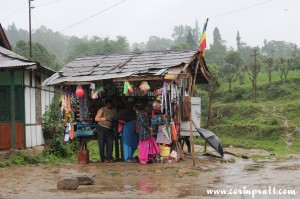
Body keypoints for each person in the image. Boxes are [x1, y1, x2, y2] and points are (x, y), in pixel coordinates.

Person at [95, 98, 116, 163]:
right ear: (105, 104)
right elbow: (96, 119)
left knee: (110, 144)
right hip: (101, 128)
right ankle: (102, 158)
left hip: (109, 129)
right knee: (101, 144)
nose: (109, 105)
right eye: (108, 104)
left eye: (110, 104)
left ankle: (109, 158)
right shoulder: (102, 109)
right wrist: (105, 118)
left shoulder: (113, 110)